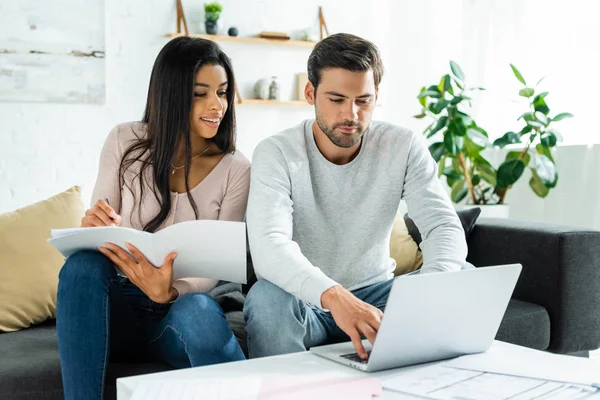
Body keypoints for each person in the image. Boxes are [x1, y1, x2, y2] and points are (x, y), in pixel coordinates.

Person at [244, 33, 469, 360]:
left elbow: (443, 227)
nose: (351, 114)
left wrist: (429, 294)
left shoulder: (402, 145)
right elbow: (269, 247)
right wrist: (334, 297)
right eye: (336, 99)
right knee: (266, 298)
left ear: (376, 94)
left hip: (377, 297)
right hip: (308, 302)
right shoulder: (276, 152)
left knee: (460, 274)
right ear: (311, 93)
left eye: (363, 101)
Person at [56, 37, 249, 399]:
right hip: (116, 311)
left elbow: (217, 265)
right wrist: (92, 227)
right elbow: (102, 219)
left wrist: (171, 290)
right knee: (82, 265)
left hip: (177, 314)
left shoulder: (236, 168)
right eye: (200, 93)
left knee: (197, 308)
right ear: (172, 93)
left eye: (222, 93)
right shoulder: (124, 140)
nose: (216, 105)